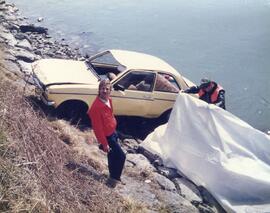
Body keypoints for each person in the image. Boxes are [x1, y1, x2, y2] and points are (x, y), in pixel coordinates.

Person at [87, 79, 126, 187]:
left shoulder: (109, 100)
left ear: (110, 91)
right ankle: (116, 178)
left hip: (113, 132)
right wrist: (104, 144)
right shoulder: (96, 107)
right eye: (102, 89)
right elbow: (97, 128)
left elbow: (111, 114)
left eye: (107, 89)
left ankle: (112, 177)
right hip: (107, 136)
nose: (104, 91)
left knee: (112, 156)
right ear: (99, 90)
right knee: (121, 156)